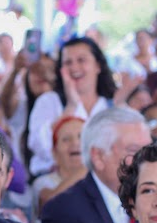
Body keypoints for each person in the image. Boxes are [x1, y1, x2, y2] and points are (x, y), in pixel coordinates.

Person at [27, 36, 117, 177]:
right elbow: (41, 147)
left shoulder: (111, 106)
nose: (74, 67)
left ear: (98, 66)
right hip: (55, 183)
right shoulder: (49, 101)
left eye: (81, 60)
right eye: (68, 62)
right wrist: (71, 107)